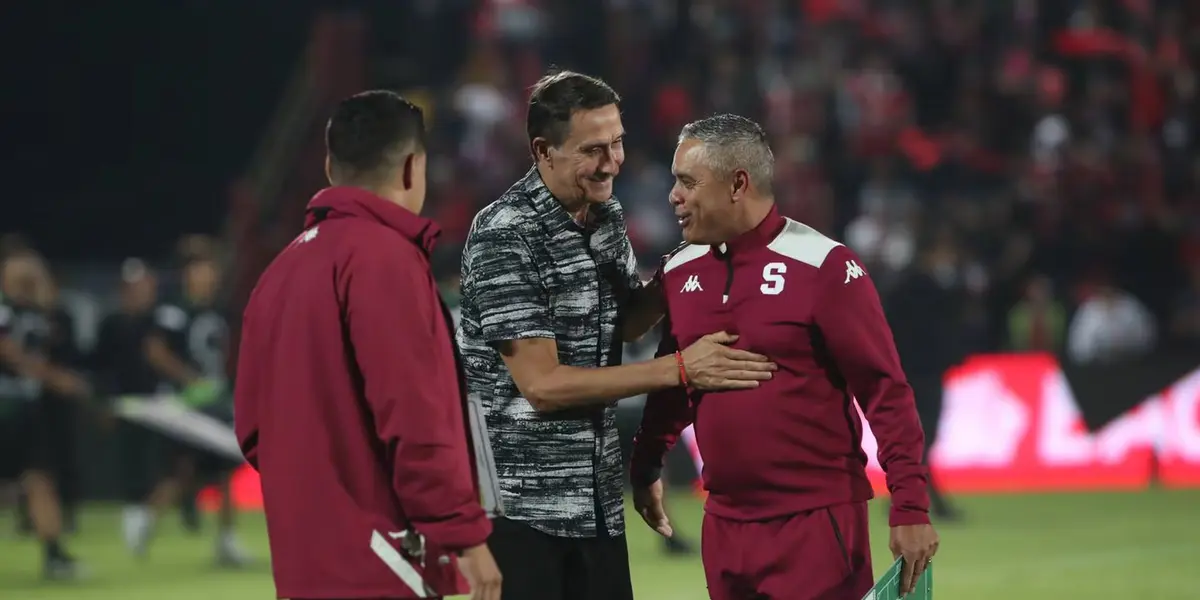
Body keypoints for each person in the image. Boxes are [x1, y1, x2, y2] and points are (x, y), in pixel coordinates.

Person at [457, 71, 775, 600]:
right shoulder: (504, 235)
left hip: (596, 504)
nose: (612, 162)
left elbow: (623, 322)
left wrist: (696, 252)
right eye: (593, 149)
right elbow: (543, 385)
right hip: (521, 511)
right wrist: (680, 368)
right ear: (544, 150)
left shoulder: (603, 213)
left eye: (618, 142)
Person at [628, 114, 940, 600]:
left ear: (737, 184)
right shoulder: (679, 269)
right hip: (726, 525)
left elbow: (885, 391)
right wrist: (646, 464)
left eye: (687, 182)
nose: (674, 195)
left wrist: (911, 508)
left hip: (816, 524)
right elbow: (678, 381)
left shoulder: (825, 267)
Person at [234, 90, 501, 600]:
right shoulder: (386, 261)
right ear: (411, 168)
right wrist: (464, 534)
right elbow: (415, 419)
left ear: (331, 167)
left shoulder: (279, 271)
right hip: (383, 563)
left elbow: (253, 430)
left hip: (303, 565)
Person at [143, 252, 250, 566]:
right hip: (183, 404)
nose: (209, 277)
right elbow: (155, 351)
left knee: (225, 468)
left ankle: (227, 541)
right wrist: (190, 381)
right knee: (183, 471)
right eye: (202, 271)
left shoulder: (219, 311)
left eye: (212, 271)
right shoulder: (174, 310)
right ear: (188, 274)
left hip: (214, 402)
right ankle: (145, 520)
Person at [0, 250, 89, 579]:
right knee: (36, 480)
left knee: (40, 480)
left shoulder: (39, 313)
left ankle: (54, 556)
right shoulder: (5, 310)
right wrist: (56, 379)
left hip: (25, 407)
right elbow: (8, 351)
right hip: (6, 403)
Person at [92, 259, 184, 554]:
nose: (144, 291)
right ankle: (134, 520)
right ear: (125, 289)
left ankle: (149, 517)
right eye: (137, 286)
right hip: (126, 403)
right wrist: (104, 401)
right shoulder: (111, 323)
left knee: (167, 463)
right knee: (132, 463)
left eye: (147, 285)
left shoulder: (160, 319)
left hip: (159, 402)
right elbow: (101, 366)